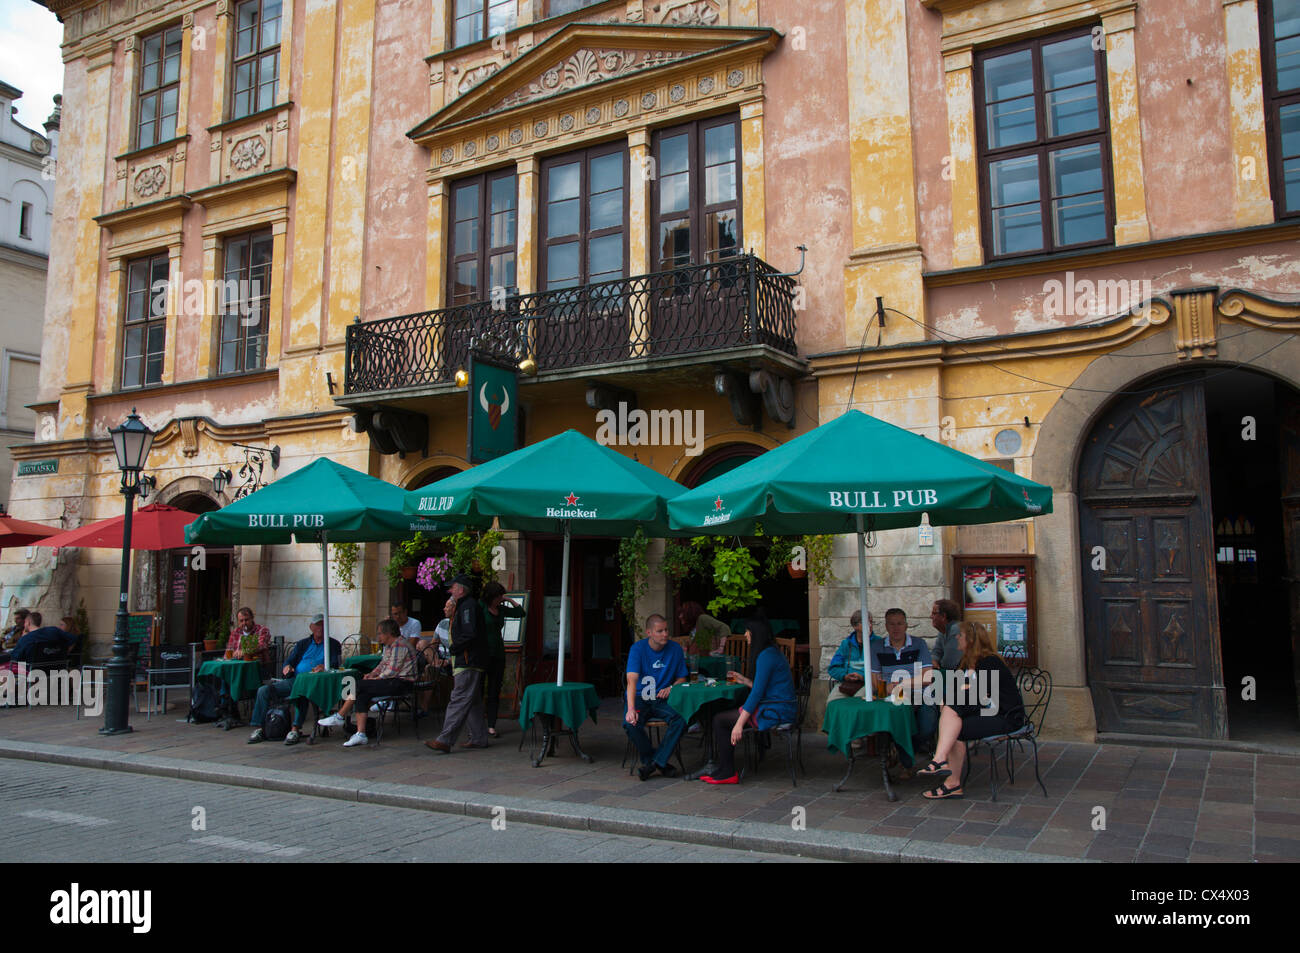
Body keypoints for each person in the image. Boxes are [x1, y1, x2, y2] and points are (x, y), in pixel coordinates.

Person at [917, 620, 1026, 800]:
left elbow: (979, 697)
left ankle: (948, 776)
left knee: (955, 726)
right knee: (950, 712)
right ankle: (943, 765)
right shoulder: (968, 662)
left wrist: (958, 694)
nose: (957, 638)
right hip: (987, 711)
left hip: (1005, 716)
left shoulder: (990, 662)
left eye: (961, 635)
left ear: (971, 639)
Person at [699, 618, 796, 785]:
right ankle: (723, 769)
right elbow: (764, 687)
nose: (745, 635)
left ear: (756, 634)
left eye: (747, 631)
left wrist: (739, 724)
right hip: (780, 705)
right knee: (723, 717)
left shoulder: (765, 656)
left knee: (719, 720)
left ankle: (727, 771)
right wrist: (746, 681)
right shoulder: (772, 652)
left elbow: (757, 694)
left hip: (775, 711)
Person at [317, 618, 416, 747]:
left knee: (358, 685)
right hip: (392, 681)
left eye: (380, 633)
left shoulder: (399, 645)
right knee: (361, 694)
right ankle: (361, 734)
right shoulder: (389, 646)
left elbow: (392, 671)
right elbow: (382, 664)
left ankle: (340, 716)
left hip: (402, 683)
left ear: (388, 633)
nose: (378, 636)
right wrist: (371, 674)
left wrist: (375, 679)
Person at [248, 613, 341, 745]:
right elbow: (289, 660)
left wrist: (325, 667)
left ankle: (295, 729)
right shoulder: (303, 644)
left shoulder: (333, 644)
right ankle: (259, 728)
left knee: (301, 691)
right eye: (318, 625)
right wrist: (287, 667)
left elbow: (336, 664)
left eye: (323, 625)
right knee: (263, 691)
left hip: (316, 682)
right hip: (295, 679)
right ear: (311, 627)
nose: (320, 628)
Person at [424, 575, 489, 754]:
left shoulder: (467, 606)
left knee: (458, 699)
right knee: (472, 701)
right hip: (468, 660)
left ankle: (445, 739)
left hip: (467, 661)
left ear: (461, 590)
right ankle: (479, 737)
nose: (450, 591)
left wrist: (454, 649)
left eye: (452, 588)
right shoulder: (466, 606)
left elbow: (469, 634)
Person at [869, 608, 937, 774]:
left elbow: (927, 677)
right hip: (891, 697)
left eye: (899, 623)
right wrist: (887, 688)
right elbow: (874, 680)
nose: (896, 628)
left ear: (906, 625)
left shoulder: (919, 644)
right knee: (895, 722)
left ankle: (902, 754)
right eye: (891, 624)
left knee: (927, 727)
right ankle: (906, 763)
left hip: (920, 693)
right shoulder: (877, 647)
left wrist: (901, 684)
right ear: (886, 626)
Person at [624, 613, 688, 780]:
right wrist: (630, 709)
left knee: (681, 719)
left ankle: (652, 765)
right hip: (641, 696)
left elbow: (682, 677)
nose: (665, 634)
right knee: (630, 723)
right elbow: (631, 680)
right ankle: (657, 762)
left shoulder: (675, 649)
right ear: (649, 633)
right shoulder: (637, 649)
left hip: (662, 698)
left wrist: (672, 688)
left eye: (666, 630)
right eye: (660, 631)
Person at [481, 582, 524, 738]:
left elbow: (520, 613)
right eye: (499, 596)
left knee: (494, 690)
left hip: (498, 654)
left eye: (501, 596)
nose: (500, 599)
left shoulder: (500, 609)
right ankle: (478, 724)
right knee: (479, 690)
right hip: (483, 654)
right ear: (491, 596)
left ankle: (491, 725)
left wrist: (510, 600)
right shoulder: (481, 608)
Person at [827, 610, 874, 699]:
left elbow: (882, 670)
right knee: (832, 701)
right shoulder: (846, 644)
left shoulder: (877, 643)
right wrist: (845, 676)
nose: (870, 626)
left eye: (871, 622)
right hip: (848, 683)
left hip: (869, 683)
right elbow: (833, 667)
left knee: (857, 700)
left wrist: (862, 676)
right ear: (855, 626)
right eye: (866, 623)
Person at [929, 598, 962, 672]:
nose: (930, 616)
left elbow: (950, 663)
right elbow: (936, 652)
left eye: (934, 613)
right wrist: (933, 660)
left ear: (943, 616)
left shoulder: (956, 629)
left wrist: (937, 665)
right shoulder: (942, 631)